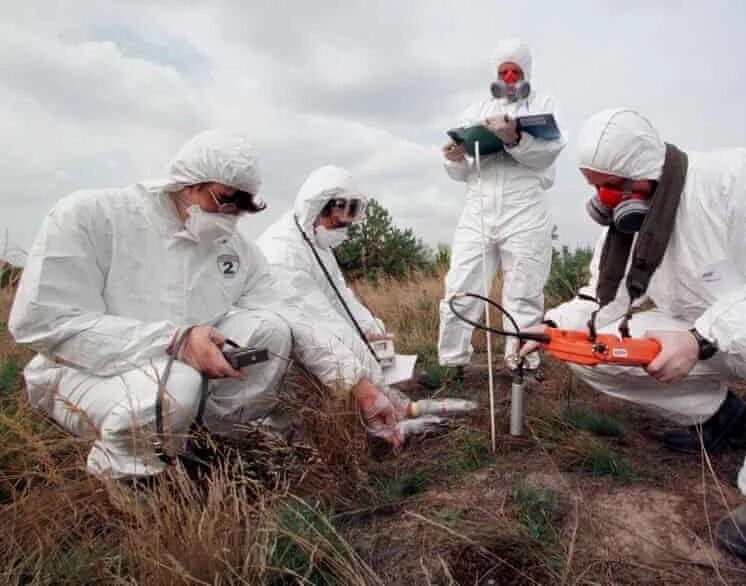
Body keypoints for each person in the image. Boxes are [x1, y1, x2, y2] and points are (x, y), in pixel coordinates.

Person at [521, 109, 746, 563]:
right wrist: (553, 326)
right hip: (696, 337)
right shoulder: (629, 223)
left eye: (609, 187)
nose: (602, 200)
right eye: (593, 186)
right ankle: (720, 416)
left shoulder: (742, 181)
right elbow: (602, 298)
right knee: (592, 349)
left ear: (644, 174)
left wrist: (701, 337)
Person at [9, 130, 402, 481]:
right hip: (82, 372)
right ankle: (137, 486)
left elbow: (294, 312)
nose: (232, 215)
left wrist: (360, 387)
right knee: (173, 389)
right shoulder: (93, 216)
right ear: (187, 182)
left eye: (244, 206)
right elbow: (40, 321)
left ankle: (220, 451)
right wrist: (175, 341)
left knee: (270, 330)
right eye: (224, 199)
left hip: (185, 367)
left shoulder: (235, 251)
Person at [438, 38, 566, 377]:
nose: (509, 78)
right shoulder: (475, 110)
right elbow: (463, 172)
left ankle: (522, 362)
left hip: (524, 207)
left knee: (524, 290)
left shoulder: (544, 104)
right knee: (461, 286)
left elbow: (548, 154)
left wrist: (514, 138)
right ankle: (453, 363)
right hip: (478, 208)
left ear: (526, 72)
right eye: (502, 72)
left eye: (515, 71)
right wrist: (454, 157)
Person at [257, 165, 387, 346]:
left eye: (346, 225)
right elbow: (314, 320)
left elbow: (339, 297)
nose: (341, 231)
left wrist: (371, 331)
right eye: (336, 224)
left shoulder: (318, 242)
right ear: (317, 210)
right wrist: (360, 355)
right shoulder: (283, 252)